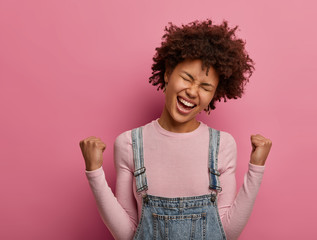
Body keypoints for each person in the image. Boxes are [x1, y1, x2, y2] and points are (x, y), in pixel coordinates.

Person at [79, 19, 272, 240]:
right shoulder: (130, 143)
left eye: (205, 87)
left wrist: (256, 168)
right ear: (168, 73)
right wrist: (94, 172)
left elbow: (226, 232)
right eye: (187, 78)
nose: (192, 91)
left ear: (214, 95)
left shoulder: (222, 145)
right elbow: (127, 234)